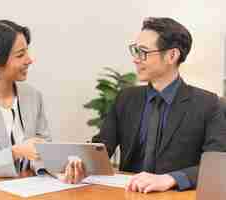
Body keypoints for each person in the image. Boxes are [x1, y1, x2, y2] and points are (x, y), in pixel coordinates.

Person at [92, 17, 226, 193]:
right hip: (128, 193)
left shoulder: (208, 104)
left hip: (174, 196)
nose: (136, 59)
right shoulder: (126, 98)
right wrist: (80, 163)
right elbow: (102, 147)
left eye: (144, 52)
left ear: (172, 55)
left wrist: (171, 178)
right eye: (135, 51)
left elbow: (218, 165)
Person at [0, 20, 84, 189]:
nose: (29, 60)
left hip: (21, 190)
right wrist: (15, 152)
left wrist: (56, 171)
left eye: (27, 52)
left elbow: (41, 151)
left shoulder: (33, 96)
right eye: (20, 55)